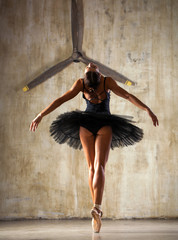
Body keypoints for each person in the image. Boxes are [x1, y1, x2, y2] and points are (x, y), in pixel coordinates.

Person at [30, 62, 159, 233]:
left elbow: (61, 99)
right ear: (98, 74)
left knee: (91, 167)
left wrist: (40, 115)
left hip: (85, 125)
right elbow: (127, 96)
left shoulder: (81, 83)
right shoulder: (107, 82)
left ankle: (95, 209)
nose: (90, 64)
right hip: (105, 124)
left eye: (89, 67)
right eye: (91, 67)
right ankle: (97, 208)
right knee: (100, 167)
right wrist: (146, 108)